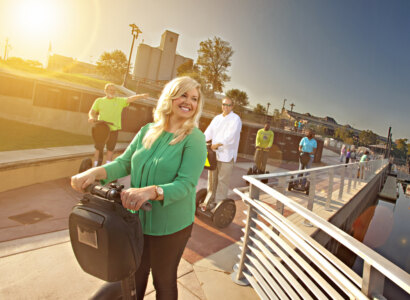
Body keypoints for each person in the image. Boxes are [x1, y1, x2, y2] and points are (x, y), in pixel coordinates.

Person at [71, 76, 207, 300]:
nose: (189, 102)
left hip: (171, 227)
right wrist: (93, 173)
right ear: (170, 97)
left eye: (194, 98)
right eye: (183, 95)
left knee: (163, 280)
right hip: (136, 222)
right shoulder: (147, 131)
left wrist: (150, 191)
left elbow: (186, 184)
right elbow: (124, 163)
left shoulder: (194, 138)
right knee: (133, 277)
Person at [88, 83, 149, 167]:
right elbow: (92, 111)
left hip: (113, 129)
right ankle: (94, 166)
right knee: (98, 148)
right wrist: (91, 117)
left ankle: (107, 168)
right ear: (105, 91)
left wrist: (141, 96)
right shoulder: (99, 101)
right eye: (110, 90)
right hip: (101, 128)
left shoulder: (119, 101)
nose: (112, 92)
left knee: (110, 149)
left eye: (114, 90)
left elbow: (130, 99)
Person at [203, 97, 242, 209]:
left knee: (222, 181)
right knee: (212, 180)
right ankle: (208, 201)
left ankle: (217, 204)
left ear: (232, 106)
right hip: (214, 155)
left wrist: (218, 144)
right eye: (224, 104)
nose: (226, 107)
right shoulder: (217, 118)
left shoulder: (235, 119)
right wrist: (201, 140)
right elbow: (208, 132)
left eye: (228, 105)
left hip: (227, 155)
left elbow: (231, 136)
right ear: (221, 105)